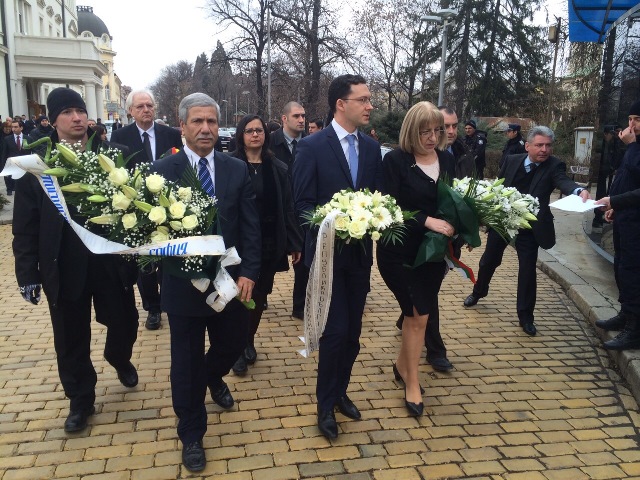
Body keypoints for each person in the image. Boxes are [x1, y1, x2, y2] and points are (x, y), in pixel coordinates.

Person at [12, 87, 139, 433]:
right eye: (67, 112)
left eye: (80, 111)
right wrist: (27, 273)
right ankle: (80, 399)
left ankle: (118, 356)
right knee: (70, 338)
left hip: (109, 263)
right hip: (63, 265)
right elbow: (25, 228)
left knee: (125, 321)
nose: (77, 117)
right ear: (53, 120)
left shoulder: (116, 154)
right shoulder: (35, 166)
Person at [152, 93, 261, 472]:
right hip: (184, 288)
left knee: (233, 343)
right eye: (197, 122)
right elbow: (154, 234)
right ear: (182, 126)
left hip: (228, 282)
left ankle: (211, 377)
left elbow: (250, 225)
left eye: (212, 122)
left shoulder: (234, 169)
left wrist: (250, 271)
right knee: (184, 360)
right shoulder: (163, 170)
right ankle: (192, 433)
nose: (205, 129)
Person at [293, 74, 384, 440]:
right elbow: (301, 205)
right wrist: (333, 222)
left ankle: (341, 390)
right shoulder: (312, 147)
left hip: (360, 259)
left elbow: (377, 200)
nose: (369, 105)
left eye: (369, 99)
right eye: (362, 99)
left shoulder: (373, 148)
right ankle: (324, 405)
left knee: (353, 336)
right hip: (328, 258)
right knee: (335, 334)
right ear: (341, 104)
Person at [463, 126, 591, 335]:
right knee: (489, 261)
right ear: (528, 145)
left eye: (548, 145)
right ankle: (479, 291)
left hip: (530, 227)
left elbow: (563, 181)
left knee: (527, 271)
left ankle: (525, 317)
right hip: (503, 221)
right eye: (539, 145)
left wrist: (578, 190)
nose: (544, 150)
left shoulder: (554, 165)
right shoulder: (512, 160)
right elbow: (499, 187)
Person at [377, 102, 455, 416]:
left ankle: (401, 365)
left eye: (437, 130)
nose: (433, 137)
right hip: (399, 253)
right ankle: (412, 382)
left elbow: (457, 199)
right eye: (426, 131)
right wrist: (426, 220)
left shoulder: (447, 160)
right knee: (418, 315)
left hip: (434, 255)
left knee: (417, 315)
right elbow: (389, 206)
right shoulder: (396, 161)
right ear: (413, 130)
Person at [229, 114, 303, 375]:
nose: (255, 135)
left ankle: (248, 339)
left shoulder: (278, 167)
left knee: (259, 296)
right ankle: (236, 347)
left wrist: (295, 242)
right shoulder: (231, 165)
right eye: (249, 131)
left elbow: (288, 208)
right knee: (238, 297)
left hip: (270, 240)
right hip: (237, 243)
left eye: (259, 130)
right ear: (241, 135)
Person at [111, 89, 183, 330]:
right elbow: (117, 172)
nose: (146, 110)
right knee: (145, 261)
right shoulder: (120, 135)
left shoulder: (170, 134)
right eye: (140, 106)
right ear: (130, 111)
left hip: (167, 205)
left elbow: (179, 166)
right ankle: (152, 308)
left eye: (149, 105)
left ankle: (170, 302)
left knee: (167, 257)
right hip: (136, 208)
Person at [593, 100, 640, 350]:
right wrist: (614, 207)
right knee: (622, 268)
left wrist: (615, 200)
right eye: (631, 118)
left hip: (637, 225)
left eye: (638, 120)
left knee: (633, 272)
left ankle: (635, 328)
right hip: (626, 219)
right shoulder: (634, 147)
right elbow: (625, 177)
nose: (631, 125)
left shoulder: (635, 147)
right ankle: (626, 314)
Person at [270, 101, 308, 320]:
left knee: (302, 262)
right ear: (284, 118)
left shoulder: (310, 144)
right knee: (269, 259)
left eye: (303, 116)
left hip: (301, 209)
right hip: (277, 209)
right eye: (296, 116)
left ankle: (299, 305)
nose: (301, 119)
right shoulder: (271, 143)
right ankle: (261, 295)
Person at [438, 106, 474, 179]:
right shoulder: (423, 156)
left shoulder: (465, 154)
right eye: (446, 126)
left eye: (454, 126)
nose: (451, 131)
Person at [1, 119, 30, 196]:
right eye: (12, 127)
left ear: (21, 128)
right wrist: (3, 165)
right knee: (9, 176)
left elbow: (31, 151)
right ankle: (9, 189)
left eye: (16, 127)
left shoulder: (28, 138)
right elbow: (4, 152)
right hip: (11, 161)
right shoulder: (7, 139)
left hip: (23, 162)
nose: (13, 129)